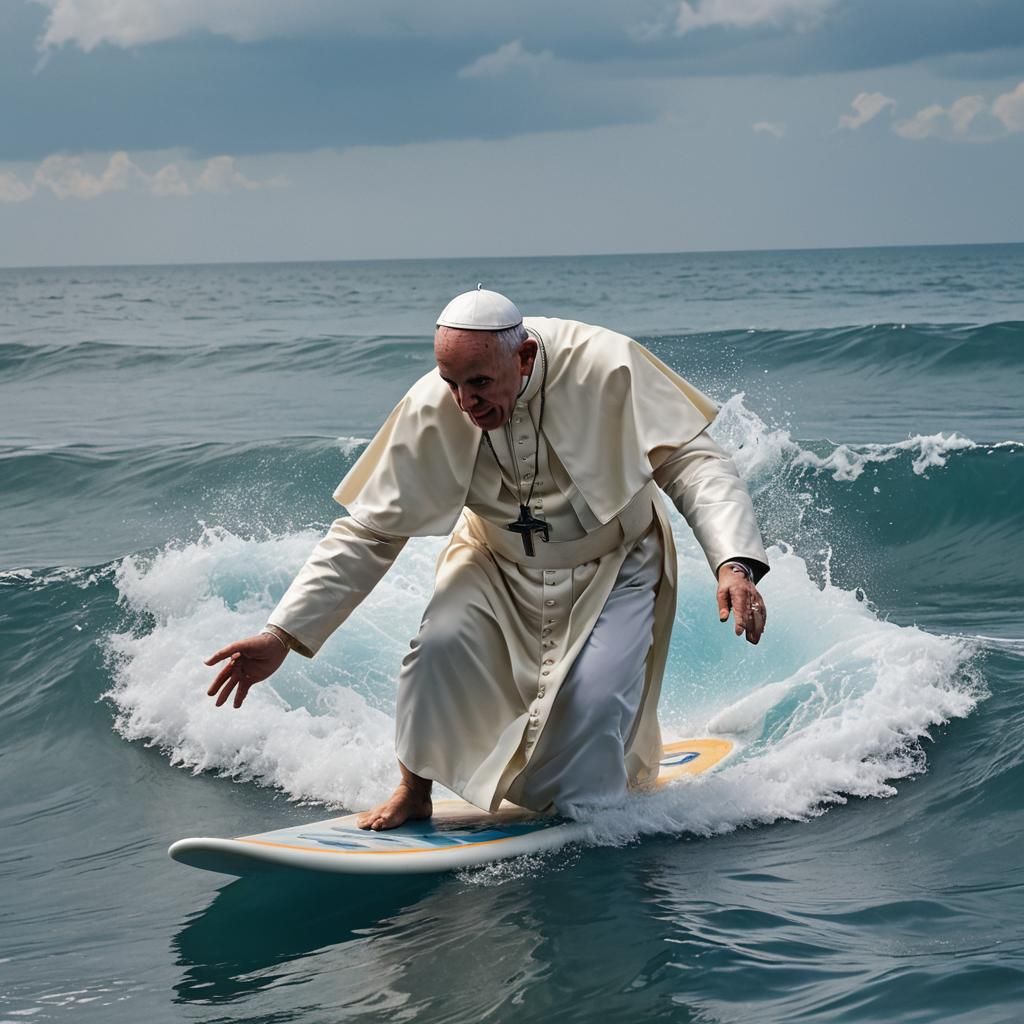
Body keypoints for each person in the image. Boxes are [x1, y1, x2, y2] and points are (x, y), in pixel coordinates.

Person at [206, 288, 769, 830]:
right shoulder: (436, 403)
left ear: (523, 357)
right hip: (494, 559)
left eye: (479, 382)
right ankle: (413, 790)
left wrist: (733, 562)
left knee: (594, 698)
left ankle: (595, 814)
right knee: (437, 649)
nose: (464, 402)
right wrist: (281, 634)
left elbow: (693, 463)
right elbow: (369, 532)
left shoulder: (605, 366)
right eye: (451, 382)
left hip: (613, 561)